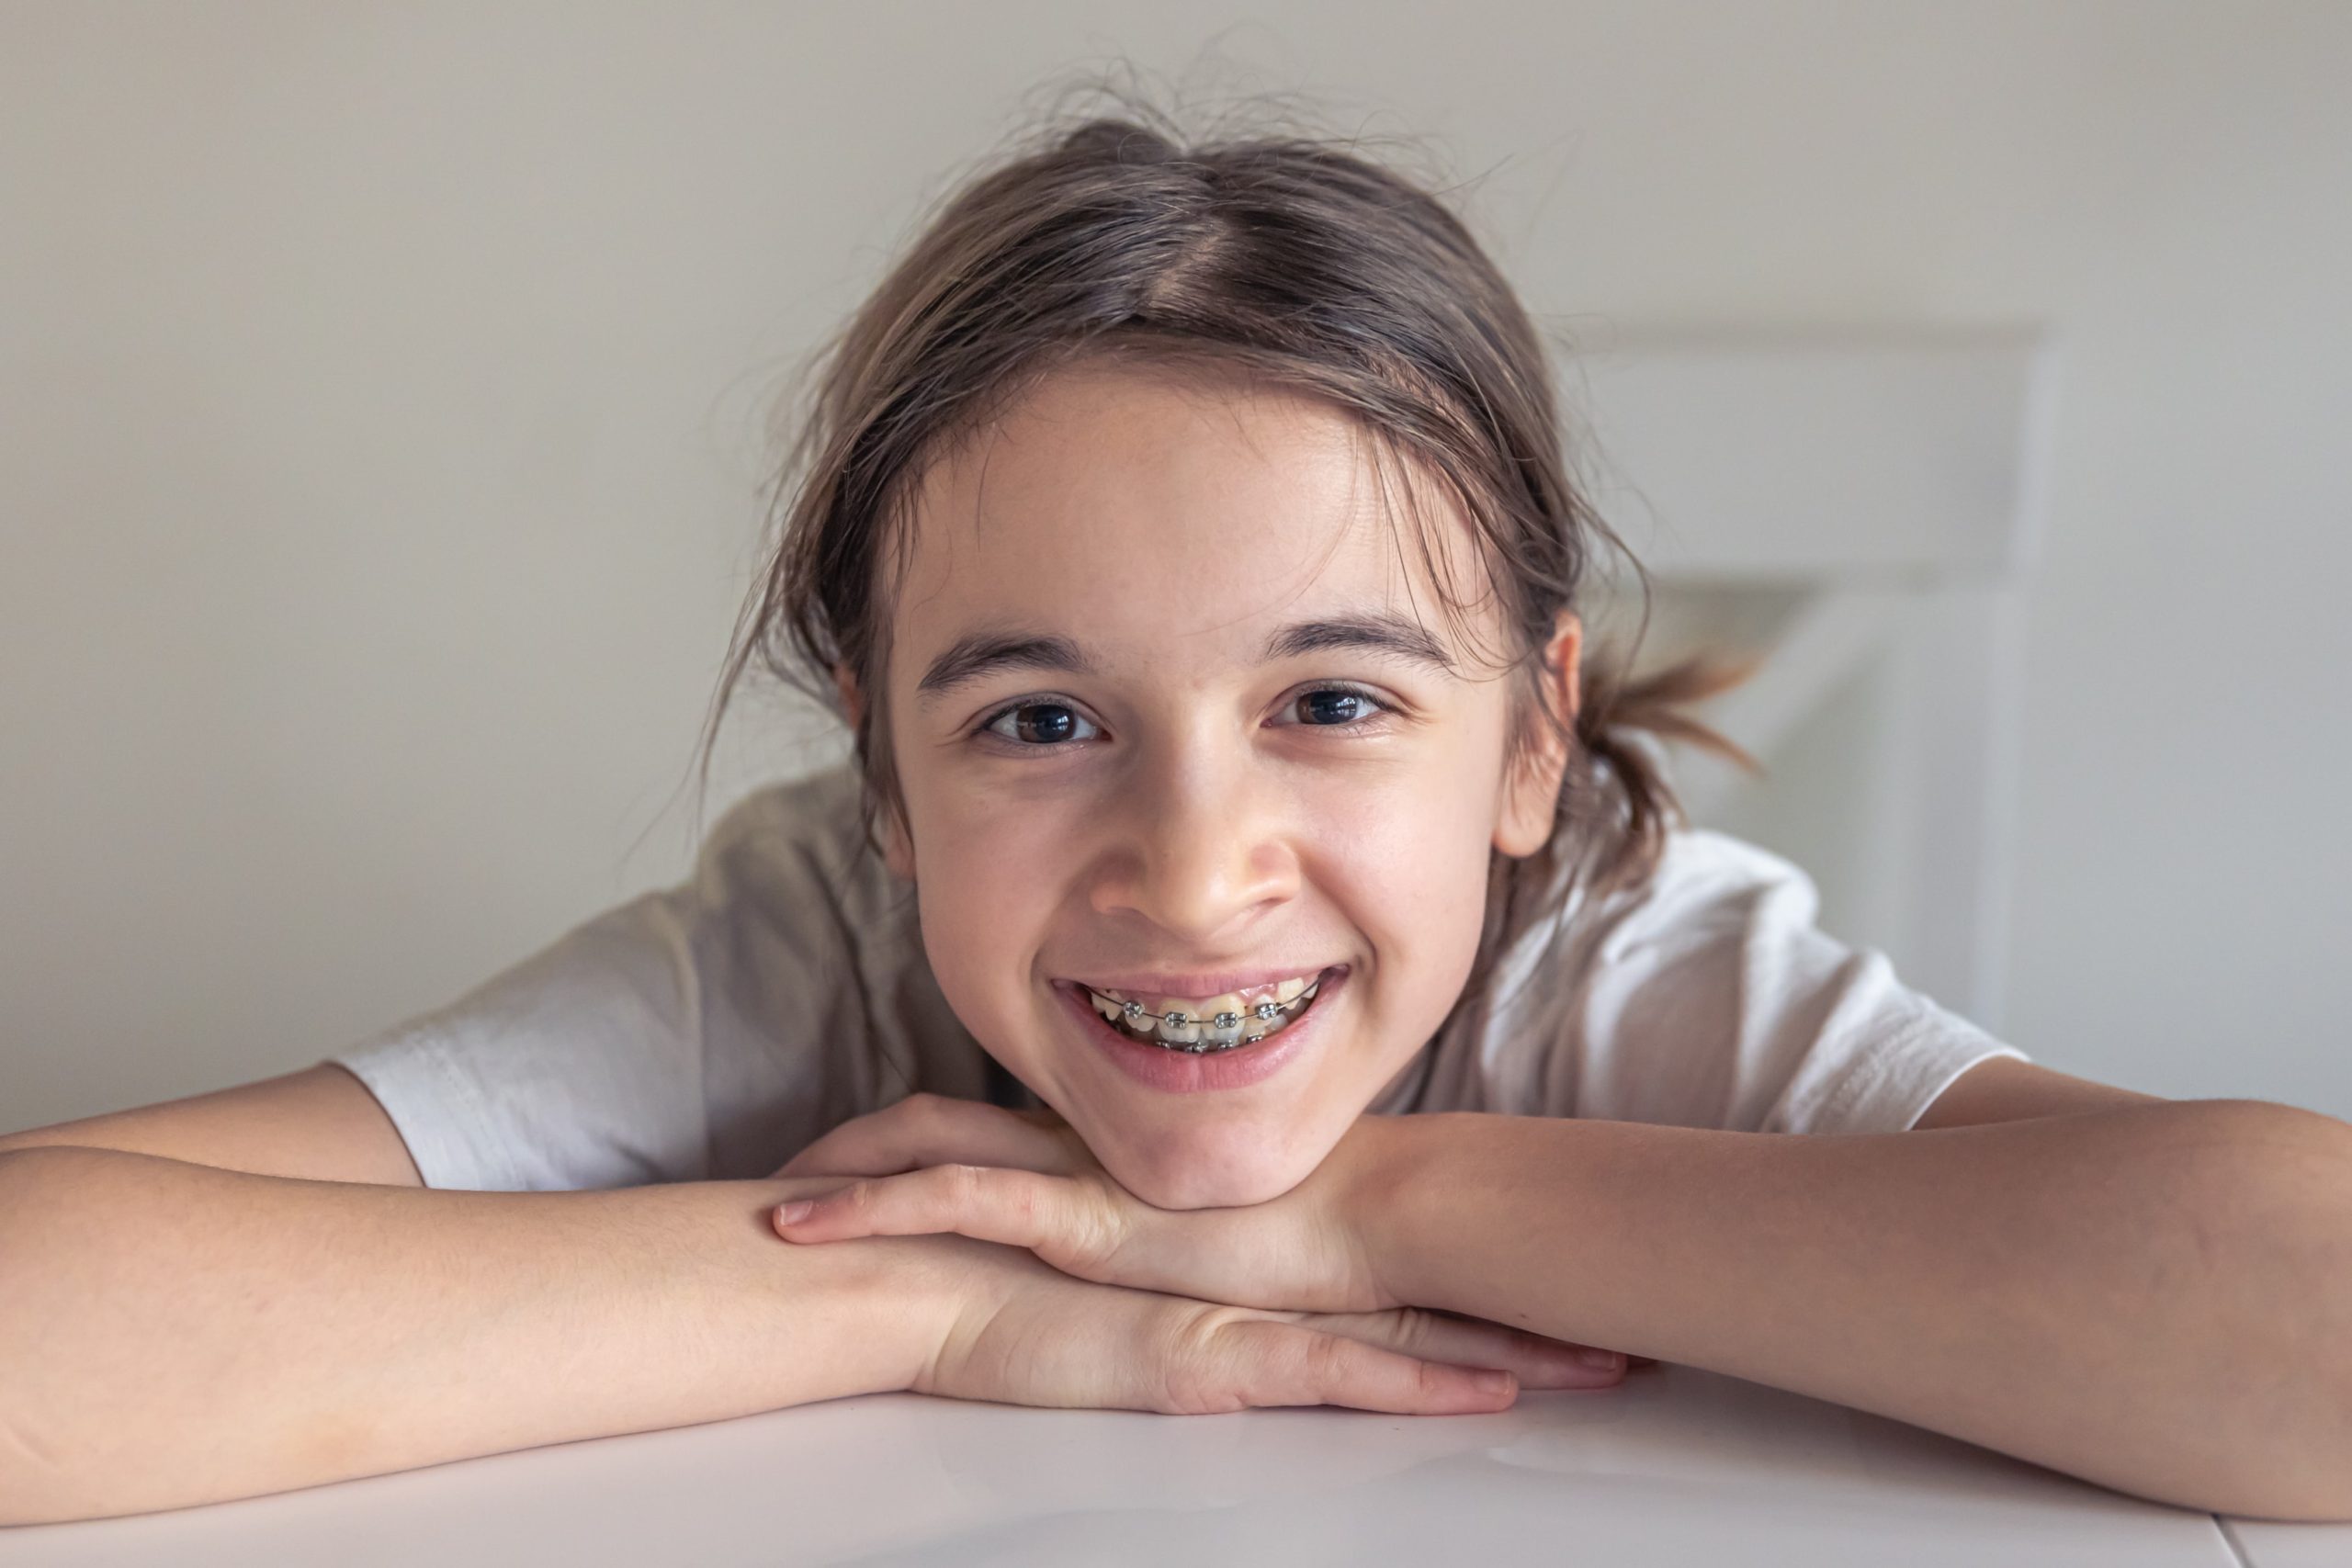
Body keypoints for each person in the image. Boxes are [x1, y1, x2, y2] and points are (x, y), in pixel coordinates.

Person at [6, 91, 2349, 1529]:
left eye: (1329, 697)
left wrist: (1379, 1209)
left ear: (1529, 739)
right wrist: (931, 1302)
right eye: (1036, 721)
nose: (1191, 867)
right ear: (884, 777)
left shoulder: (1625, 958)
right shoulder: (804, 945)